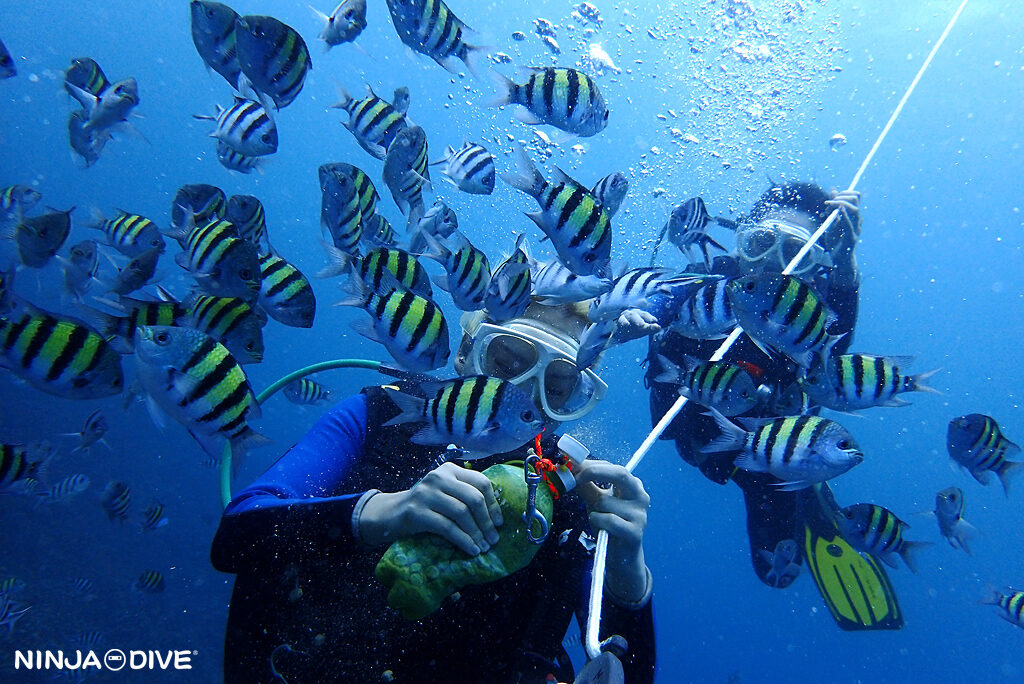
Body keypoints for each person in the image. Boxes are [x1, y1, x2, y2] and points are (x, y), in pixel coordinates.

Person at [211, 301, 656, 683]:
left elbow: (627, 675)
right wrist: (385, 511)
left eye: (556, 387)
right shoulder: (377, 419)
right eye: (505, 363)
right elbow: (235, 538)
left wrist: (627, 574)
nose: (514, 394)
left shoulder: (575, 500)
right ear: (465, 352)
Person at [643, 181, 902, 630]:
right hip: (701, 443)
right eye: (761, 243)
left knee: (776, 570)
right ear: (741, 241)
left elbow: (835, 354)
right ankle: (812, 487)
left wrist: (844, 262)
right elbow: (654, 309)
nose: (774, 264)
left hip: (780, 450)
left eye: (793, 250)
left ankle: (815, 497)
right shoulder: (709, 289)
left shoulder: (806, 306)